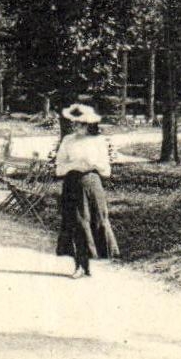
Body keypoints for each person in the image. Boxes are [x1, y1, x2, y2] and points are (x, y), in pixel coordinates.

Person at [54, 103, 120, 279]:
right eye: (74, 123)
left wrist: (93, 165)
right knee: (77, 223)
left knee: (96, 221)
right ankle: (80, 265)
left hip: (92, 184)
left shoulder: (98, 141)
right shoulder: (68, 140)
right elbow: (58, 168)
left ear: (90, 124)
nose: (76, 127)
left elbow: (106, 170)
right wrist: (74, 166)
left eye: (81, 124)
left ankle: (89, 262)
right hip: (72, 184)